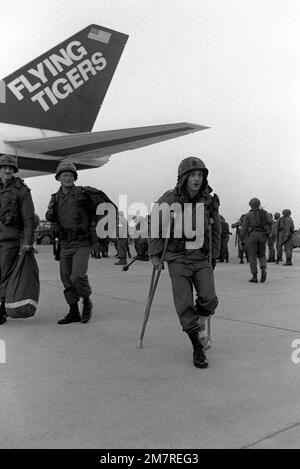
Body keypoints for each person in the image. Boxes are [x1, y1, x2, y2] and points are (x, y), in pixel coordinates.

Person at [149, 156, 221, 369]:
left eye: (200, 175)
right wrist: (155, 253)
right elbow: (155, 225)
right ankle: (197, 347)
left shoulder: (208, 201)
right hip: (177, 257)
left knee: (209, 299)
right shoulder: (169, 200)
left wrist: (215, 254)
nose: (197, 179)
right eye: (193, 175)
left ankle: (199, 322)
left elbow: (215, 230)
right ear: (183, 178)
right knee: (184, 303)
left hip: (200, 256)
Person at [46, 161, 113, 324]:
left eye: (70, 175)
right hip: (65, 243)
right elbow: (51, 217)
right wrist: (50, 214)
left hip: (82, 242)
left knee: (77, 275)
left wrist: (99, 238)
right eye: (64, 175)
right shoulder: (55, 198)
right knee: (66, 278)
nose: (68, 178)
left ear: (74, 177)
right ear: (58, 178)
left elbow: (99, 212)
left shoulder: (83, 194)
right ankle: (73, 311)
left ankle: (87, 301)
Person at [0, 155, 36, 325]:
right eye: (4, 167)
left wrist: (28, 242)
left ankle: (1, 309)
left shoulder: (22, 190)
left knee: (4, 273)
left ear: (14, 171)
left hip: (10, 240)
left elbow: (29, 218)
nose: (7, 170)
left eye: (11, 168)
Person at [240, 198, 273, 283]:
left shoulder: (248, 215)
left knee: (252, 256)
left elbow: (243, 229)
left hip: (253, 235)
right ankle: (263, 268)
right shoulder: (265, 213)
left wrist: (242, 239)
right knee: (262, 254)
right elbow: (270, 221)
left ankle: (254, 276)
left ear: (251, 205)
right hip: (262, 235)